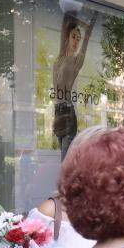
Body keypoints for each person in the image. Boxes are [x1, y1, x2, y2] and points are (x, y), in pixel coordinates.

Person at [52, 11, 96, 158]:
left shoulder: (77, 61)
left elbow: (87, 36)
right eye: (74, 37)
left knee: (65, 165)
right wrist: (81, 25)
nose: (76, 42)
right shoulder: (60, 57)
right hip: (58, 114)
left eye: (79, 38)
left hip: (68, 115)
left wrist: (87, 28)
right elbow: (66, 18)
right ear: (67, 37)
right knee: (65, 164)